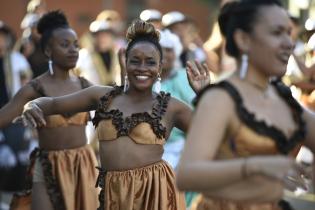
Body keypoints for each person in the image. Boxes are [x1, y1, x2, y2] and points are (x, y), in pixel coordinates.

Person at [20, 19, 210, 210]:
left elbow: (212, 135)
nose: (142, 68)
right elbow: (53, 103)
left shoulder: (171, 107)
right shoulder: (102, 96)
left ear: (159, 67)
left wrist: (205, 94)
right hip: (113, 194)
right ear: (124, 62)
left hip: (154, 194)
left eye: (150, 62)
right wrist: (32, 104)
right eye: (135, 61)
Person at [176, 1, 315, 210]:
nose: (289, 43)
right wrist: (257, 166)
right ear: (243, 39)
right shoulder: (220, 98)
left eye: (289, 33)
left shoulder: (284, 100)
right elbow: (187, 176)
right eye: (277, 33)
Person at [0, 11, 98, 210]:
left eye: (76, 45)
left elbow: (118, 104)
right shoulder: (34, 89)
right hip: (47, 168)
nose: (73, 50)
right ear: (47, 51)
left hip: (83, 165)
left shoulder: (85, 86)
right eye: (64, 45)